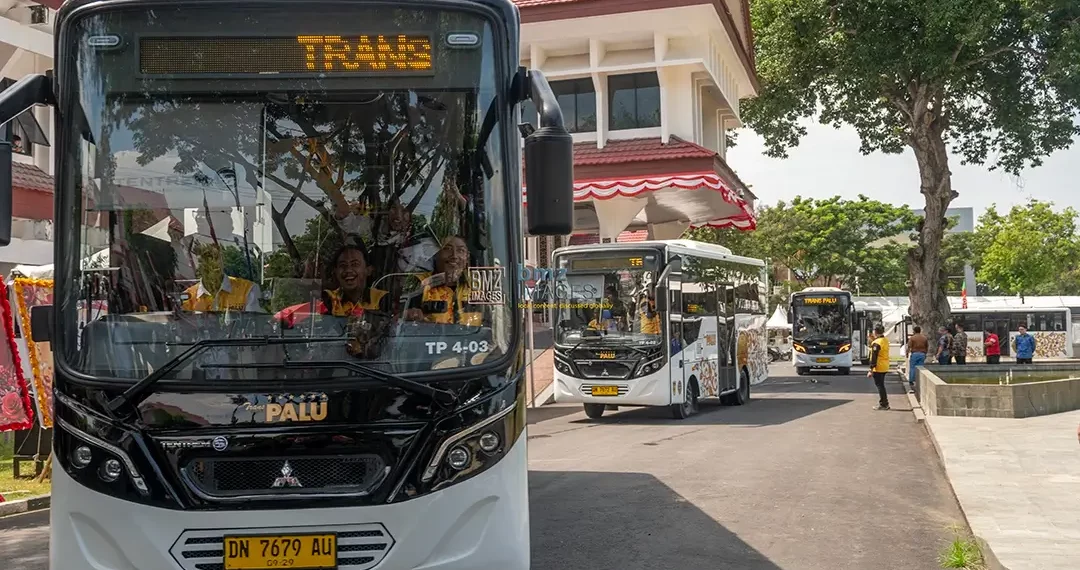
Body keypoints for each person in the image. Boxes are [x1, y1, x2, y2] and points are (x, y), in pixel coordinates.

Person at [406, 236, 482, 326]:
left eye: (461, 250)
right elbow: (397, 319)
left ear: (467, 257)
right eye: (447, 249)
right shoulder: (418, 282)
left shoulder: (479, 284)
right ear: (436, 253)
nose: (454, 256)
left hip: (472, 339)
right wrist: (410, 315)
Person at [182, 244, 263, 312]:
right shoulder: (189, 296)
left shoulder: (247, 289)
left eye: (216, 257)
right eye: (207, 258)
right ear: (198, 265)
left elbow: (253, 326)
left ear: (222, 261)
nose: (212, 262)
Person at [867, 324, 891, 410]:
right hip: (885, 365)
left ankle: (884, 403)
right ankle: (885, 403)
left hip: (878, 366)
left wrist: (871, 369)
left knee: (880, 385)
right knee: (881, 385)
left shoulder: (876, 343)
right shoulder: (884, 340)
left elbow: (874, 357)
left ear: (875, 332)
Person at [906, 325, 929, 394]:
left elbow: (909, 346)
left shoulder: (912, 338)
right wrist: (925, 353)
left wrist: (907, 353)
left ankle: (912, 381)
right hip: (922, 353)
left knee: (913, 368)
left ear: (914, 331)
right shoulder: (924, 338)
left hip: (915, 353)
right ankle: (919, 380)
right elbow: (927, 346)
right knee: (920, 368)